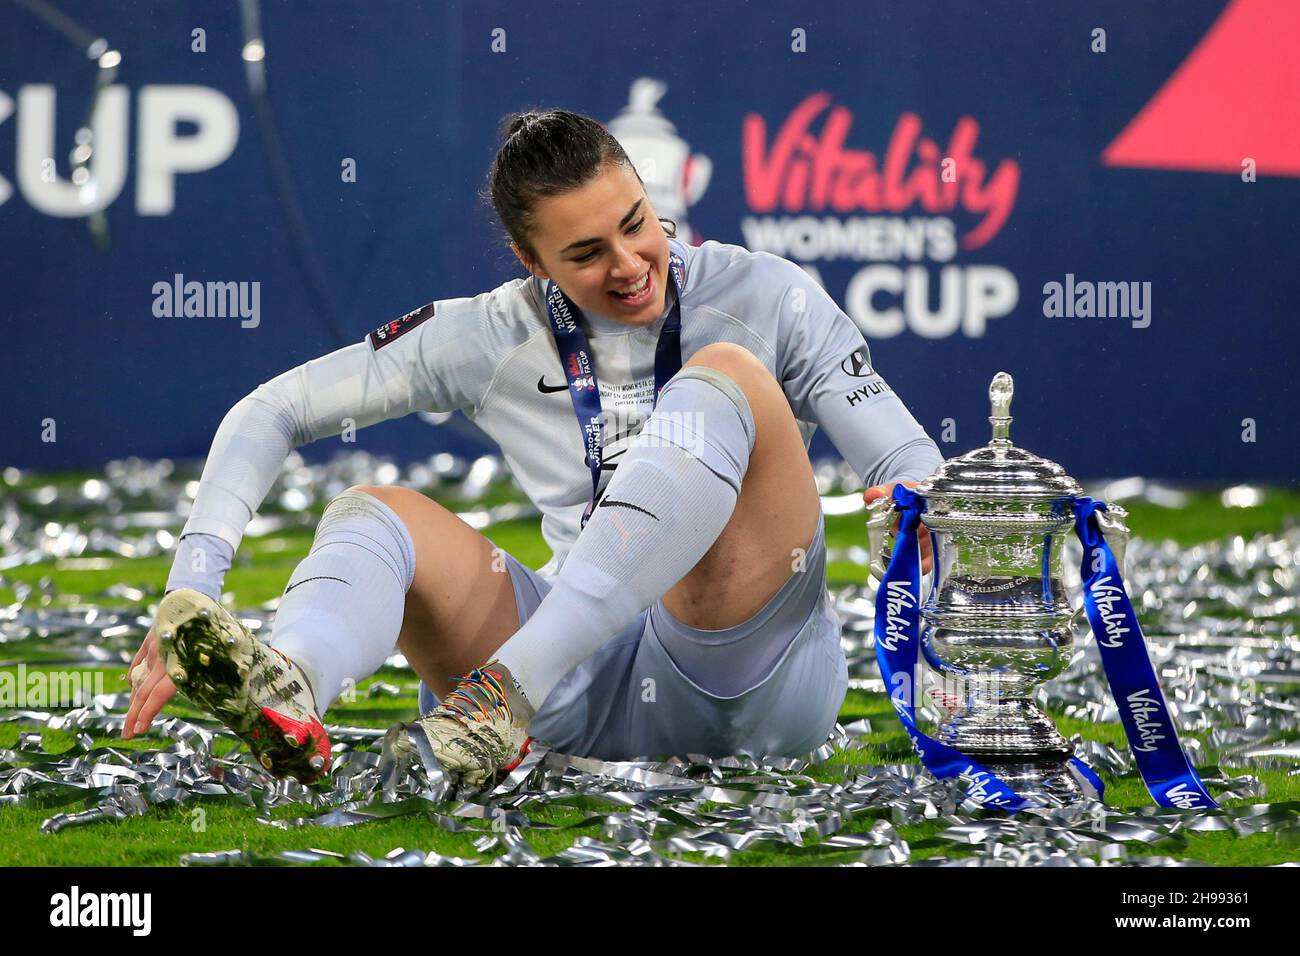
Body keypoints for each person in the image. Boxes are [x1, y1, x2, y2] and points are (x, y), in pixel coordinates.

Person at [122, 109, 940, 789]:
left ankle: (509, 691)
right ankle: (294, 680)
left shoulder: (768, 294)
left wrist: (917, 503)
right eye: (585, 254)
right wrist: (191, 583)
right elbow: (272, 409)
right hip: (579, 703)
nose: (629, 265)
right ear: (530, 260)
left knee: (725, 373)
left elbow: (904, 459)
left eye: (635, 224)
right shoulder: (493, 331)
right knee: (372, 513)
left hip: (746, 678)